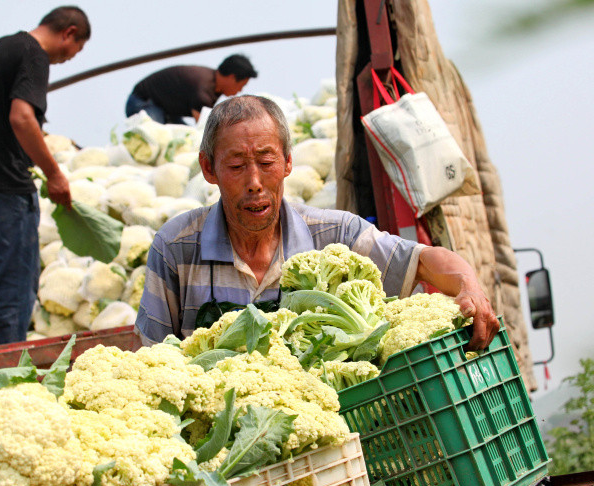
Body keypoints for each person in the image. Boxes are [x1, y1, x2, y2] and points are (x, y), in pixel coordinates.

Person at [135, 95, 500, 351]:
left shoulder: (335, 236)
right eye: (236, 166)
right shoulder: (175, 247)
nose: (254, 182)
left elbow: (421, 260)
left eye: (266, 162)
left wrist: (469, 286)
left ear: (288, 163)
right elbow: (149, 361)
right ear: (208, 168)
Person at [0, 6, 90, 350]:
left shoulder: (1, 47)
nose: (68, 59)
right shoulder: (33, 54)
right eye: (76, 50)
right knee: (9, 295)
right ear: (69, 33)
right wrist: (54, 175)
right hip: (3, 187)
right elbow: (22, 116)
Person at [125, 54, 257, 124]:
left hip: (165, 111)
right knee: (157, 140)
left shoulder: (212, 83)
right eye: (242, 85)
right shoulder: (203, 89)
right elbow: (204, 128)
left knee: (184, 139)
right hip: (143, 103)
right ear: (232, 77)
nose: (240, 91)